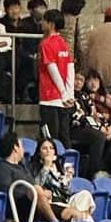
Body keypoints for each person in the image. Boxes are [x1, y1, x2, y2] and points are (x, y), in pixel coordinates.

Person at [0, 131, 59, 222]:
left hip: (34, 204)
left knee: (71, 212)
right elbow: (6, 189)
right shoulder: (2, 167)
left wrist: (42, 192)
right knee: (37, 190)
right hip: (18, 207)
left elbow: (34, 184)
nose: (24, 149)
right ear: (15, 148)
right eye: (21, 146)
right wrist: (31, 192)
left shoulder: (22, 166)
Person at [37, 8, 74, 144]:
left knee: (49, 139)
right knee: (64, 137)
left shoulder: (46, 44)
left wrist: (63, 93)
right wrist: (69, 94)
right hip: (63, 100)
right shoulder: (63, 43)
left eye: (44, 20)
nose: (41, 23)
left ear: (51, 24)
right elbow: (70, 68)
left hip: (49, 97)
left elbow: (52, 69)